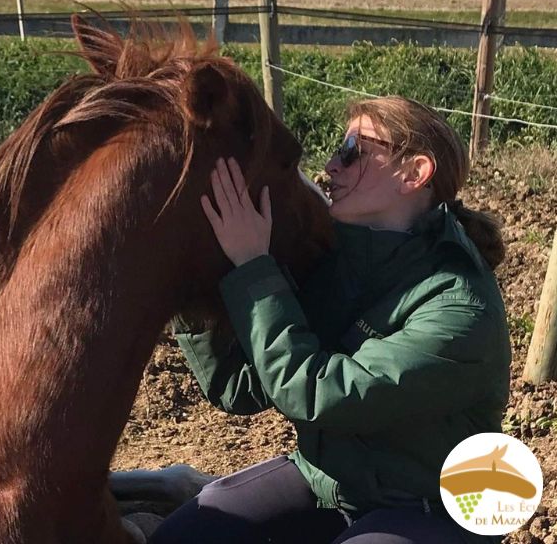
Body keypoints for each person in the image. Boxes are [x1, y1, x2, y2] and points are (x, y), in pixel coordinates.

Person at [149, 96, 511, 544]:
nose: (330, 165)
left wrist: (253, 269)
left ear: (414, 174)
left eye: (353, 150)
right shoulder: (335, 260)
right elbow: (240, 387)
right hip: (330, 481)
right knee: (184, 538)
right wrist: (190, 278)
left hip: (432, 507)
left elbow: (319, 393)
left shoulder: (458, 308)